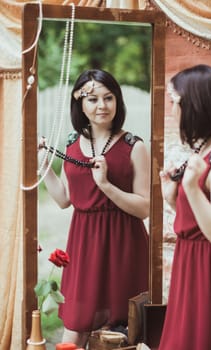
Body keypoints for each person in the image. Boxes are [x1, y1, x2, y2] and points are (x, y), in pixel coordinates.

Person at [38, 69, 150, 347]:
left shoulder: (134, 146)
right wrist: (42, 163)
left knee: (120, 330)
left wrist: (106, 186)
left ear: (118, 101)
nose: (102, 106)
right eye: (93, 99)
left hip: (125, 244)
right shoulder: (72, 145)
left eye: (109, 98)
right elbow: (64, 199)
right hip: (83, 243)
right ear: (80, 104)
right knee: (75, 326)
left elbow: (144, 208)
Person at [159, 64, 211, 350]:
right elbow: (201, 222)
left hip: (210, 275)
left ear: (196, 106)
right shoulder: (206, 149)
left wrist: (190, 188)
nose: (172, 111)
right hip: (192, 266)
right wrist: (172, 197)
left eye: (174, 102)